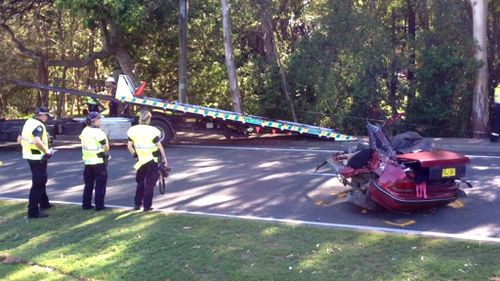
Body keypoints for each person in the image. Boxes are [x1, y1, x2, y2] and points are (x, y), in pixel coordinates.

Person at [127, 110, 168, 212]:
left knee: (140, 183)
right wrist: (164, 159)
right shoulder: (153, 131)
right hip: (152, 161)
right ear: (149, 118)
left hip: (141, 161)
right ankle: (147, 206)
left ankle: (137, 204)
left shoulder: (133, 130)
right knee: (150, 184)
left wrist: (135, 155)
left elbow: (129, 146)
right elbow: (159, 146)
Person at [17, 106, 53, 219]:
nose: (47, 117)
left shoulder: (28, 122)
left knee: (41, 179)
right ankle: (33, 211)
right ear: (42, 115)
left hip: (29, 156)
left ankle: (44, 203)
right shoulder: (39, 126)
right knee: (38, 182)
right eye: (46, 115)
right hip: (38, 157)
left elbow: (19, 139)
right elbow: (37, 141)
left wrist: (27, 146)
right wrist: (46, 151)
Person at [79, 112, 109, 211]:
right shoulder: (98, 132)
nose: (100, 121)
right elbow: (105, 147)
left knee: (88, 184)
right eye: (99, 119)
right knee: (100, 184)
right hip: (98, 161)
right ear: (93, 121)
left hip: (88, 162)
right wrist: (105, 153)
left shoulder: (85, 130)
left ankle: (86, 204)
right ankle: (99, 206)